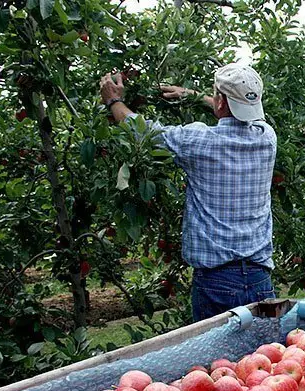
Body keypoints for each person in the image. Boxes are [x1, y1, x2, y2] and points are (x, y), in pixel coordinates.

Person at [99, 64, 277, 322]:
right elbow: (237, 113)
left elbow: (143, 131)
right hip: (261, 278)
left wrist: (114, 100)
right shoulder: (267, 138)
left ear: (220, 102)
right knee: (264, 357)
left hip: (217, 283)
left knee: (217, 362)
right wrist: (194, 95)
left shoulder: (198, 141)